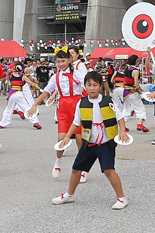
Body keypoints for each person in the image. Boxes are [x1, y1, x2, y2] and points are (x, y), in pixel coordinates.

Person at [52, 71, 130, 208]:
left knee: (108, 170)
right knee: (76, 169)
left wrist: (122, 131)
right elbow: (76, 122)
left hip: (105, 144)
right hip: (89, 143)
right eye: (89, 85)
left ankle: (122, 198)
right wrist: (66, 137)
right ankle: (69, 194)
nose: (92, 88)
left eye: (95, 85)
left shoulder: (108, 101)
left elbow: (119, 116)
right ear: (85, 86)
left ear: (100, 86)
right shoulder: (81, 103)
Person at [27, 48, 84, 179]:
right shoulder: (55, 77)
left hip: (76, 107)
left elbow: (86, 84)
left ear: (70, 60)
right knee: (61, 139)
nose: (60, 64)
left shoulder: (76, 73)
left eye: (63, 61)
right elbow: (46, 92)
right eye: (58, 61)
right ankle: (58, 163)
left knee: (80, 140)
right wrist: (35, 105)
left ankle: (82, 169)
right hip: (63, 108)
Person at [112, 54, 150, 134]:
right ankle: (140, 124)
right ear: (136, 61)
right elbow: (136, 83)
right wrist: (141, 93)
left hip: (125, 92)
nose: (139, 61)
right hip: (132, 92)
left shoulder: (127, 68)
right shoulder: (135, 70)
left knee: (126, 110)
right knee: (140, 108)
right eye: (138, 60)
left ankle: (121, 124)